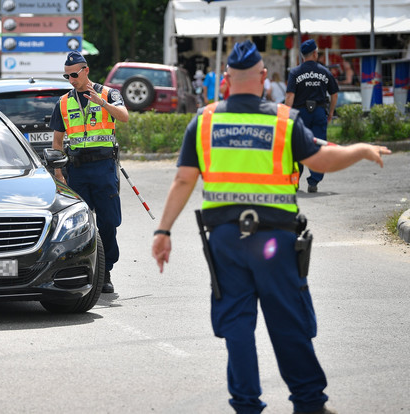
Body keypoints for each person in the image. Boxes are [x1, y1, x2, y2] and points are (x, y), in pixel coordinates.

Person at [151, 40, 391, 414]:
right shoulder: (283, 120)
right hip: (276, 241)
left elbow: (183, 181)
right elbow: (322, 158)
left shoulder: (206, 120)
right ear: (263, 78)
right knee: (288, 321)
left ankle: (246, 405)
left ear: (226, 79)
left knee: (237, 326)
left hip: (226, 240)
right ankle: (309, 403)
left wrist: (162, 232)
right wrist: (360, 149)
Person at [49, 51, 129, 293]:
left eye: (74, 74)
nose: (71, 79)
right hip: (77, 168)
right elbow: (57, 141)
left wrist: (101, 103)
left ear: (86, 70)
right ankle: (87, 270)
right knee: (79, 223)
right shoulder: (63, 102)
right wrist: (58, 172)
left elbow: (124, 117)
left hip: (104, 168)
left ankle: (106, 271)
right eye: (67, 75)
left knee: (108, 223)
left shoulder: (108, 94)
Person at [285, 39, 339, 193]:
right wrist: (330, 112)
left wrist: (286, 116)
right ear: (315, 53)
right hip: (319, 112)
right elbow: (334, 94)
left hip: (300, 114)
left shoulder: (295, 72)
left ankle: (294, 181)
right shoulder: (324, 71)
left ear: (302, 56)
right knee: (319, 147)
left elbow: (289, 96)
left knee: (297, 146)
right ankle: (314, 182)